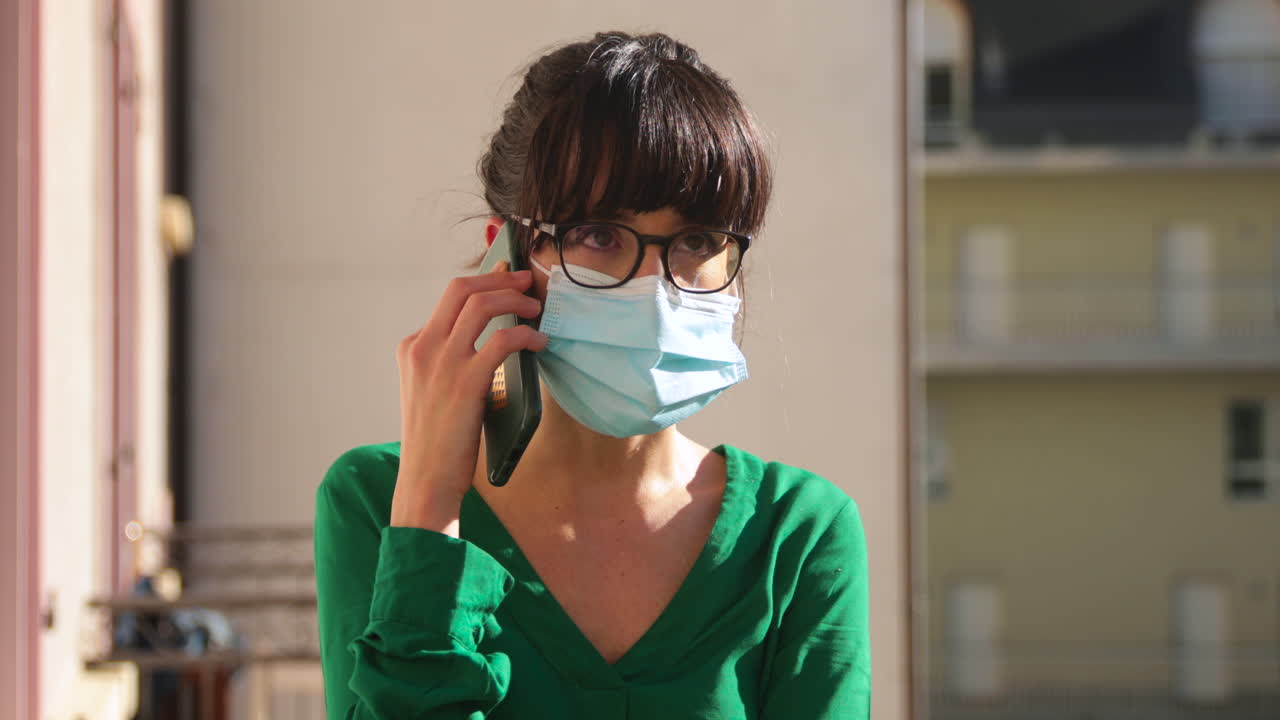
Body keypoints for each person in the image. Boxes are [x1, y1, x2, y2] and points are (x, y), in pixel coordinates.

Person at [314, 30, 870, 719]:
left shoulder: (798, 533)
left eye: (698, 240)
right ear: (507, 255)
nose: (655, 286)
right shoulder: (377, 500)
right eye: (598, 235)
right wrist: (429, 508)